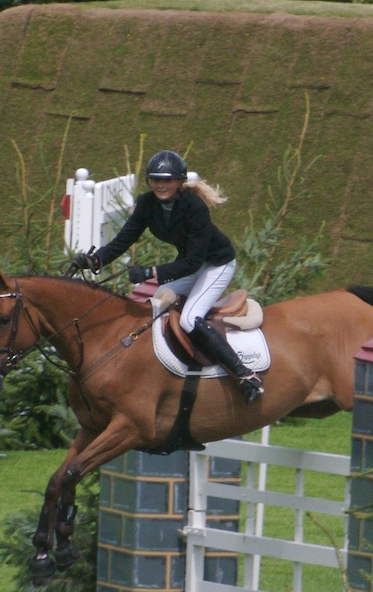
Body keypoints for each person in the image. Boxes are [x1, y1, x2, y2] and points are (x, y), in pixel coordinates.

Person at [72, 149, 264, 403]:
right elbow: (125, 238)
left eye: (167, 180)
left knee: (190, 319)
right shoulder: (147, 203)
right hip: (192, 265)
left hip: (217, 265)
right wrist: (96, 260)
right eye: (156, 180)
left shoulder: (195, 207)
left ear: (179, 182)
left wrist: (151, 272)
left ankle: (245, 376)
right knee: (157, 304)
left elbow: (194, 260)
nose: (161, 185)